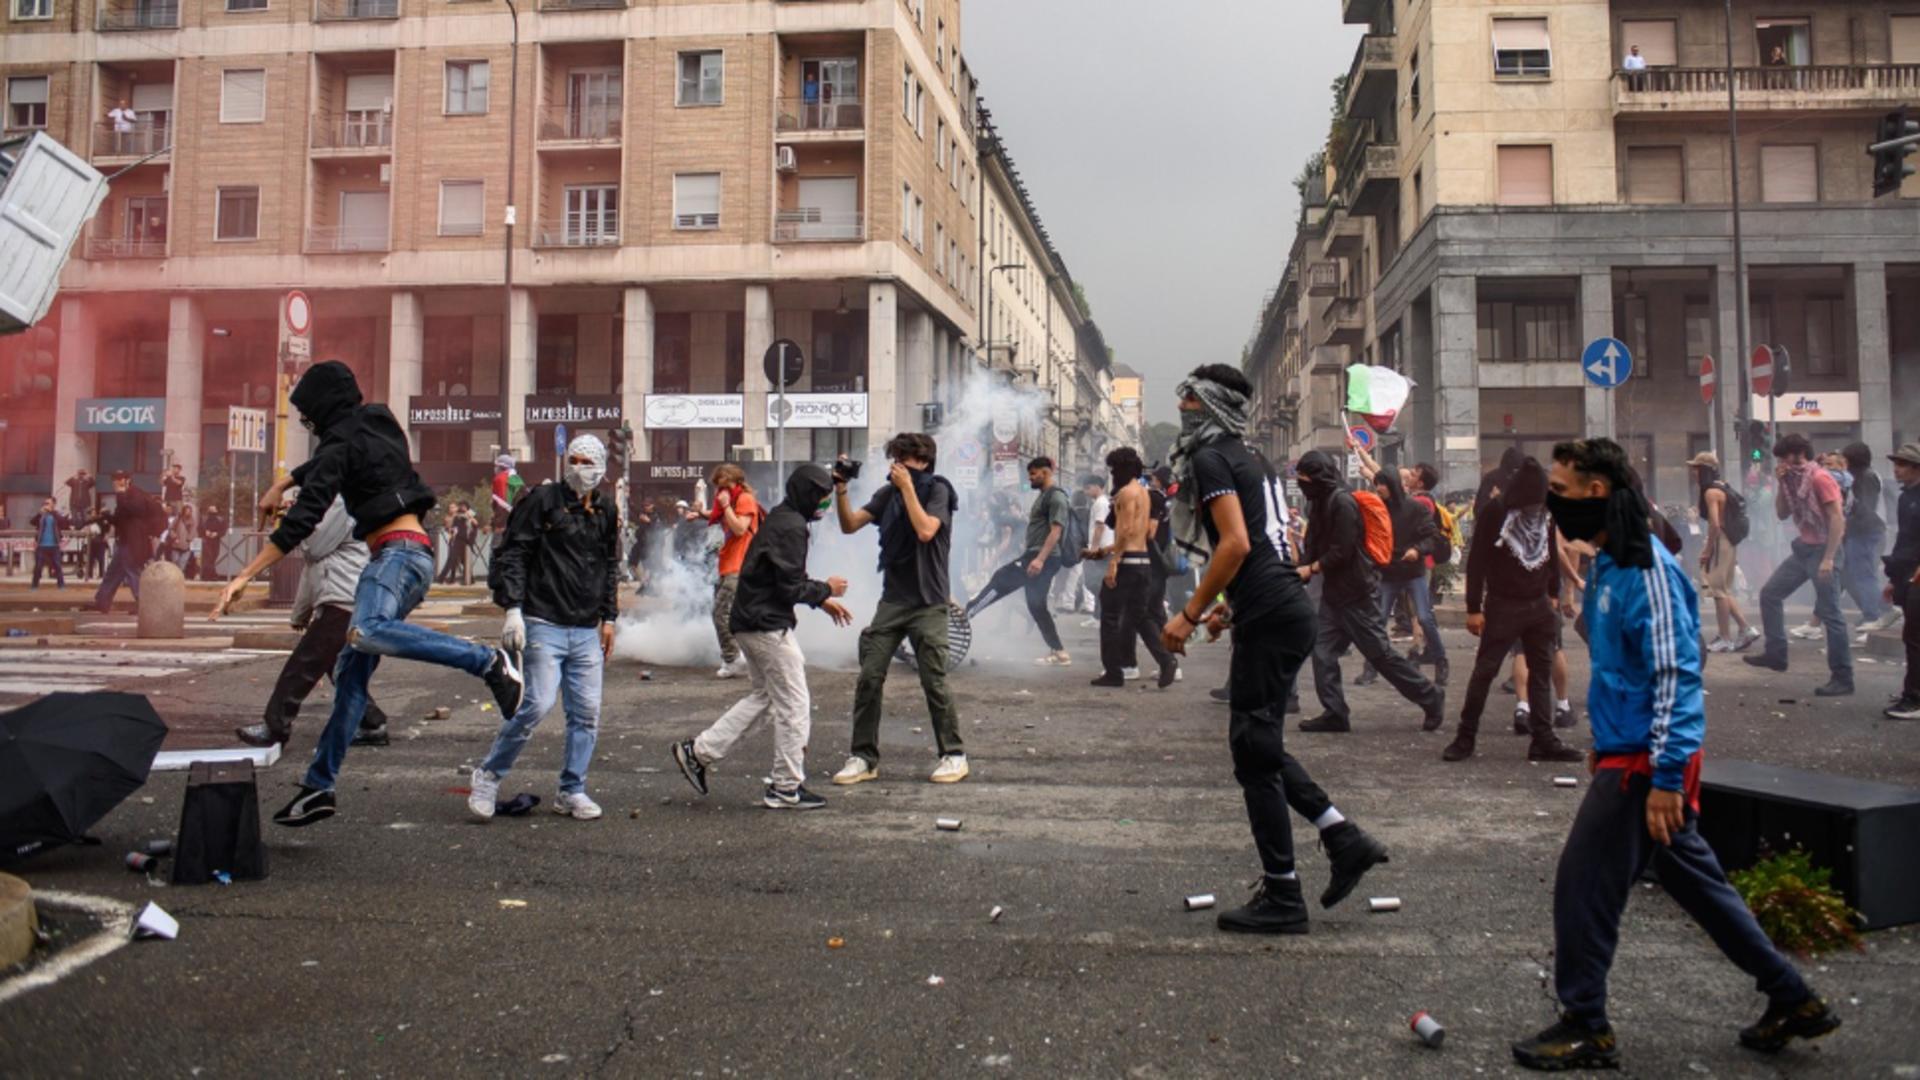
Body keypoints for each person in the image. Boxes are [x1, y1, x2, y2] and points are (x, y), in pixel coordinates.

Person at [1511, 437, 1838, 1070]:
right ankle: (1793, 997)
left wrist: (1663, 774)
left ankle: (1587, 1022)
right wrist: (1602, 743)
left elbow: (1676, 677)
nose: (1552, 500)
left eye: (1560, 489)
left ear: (1596, 493)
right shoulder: (1610, 563)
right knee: (1701, 887)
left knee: (1583, 887)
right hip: (1627, 753)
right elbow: (1621, 670)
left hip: (1647, 764)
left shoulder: (1648, 571)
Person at [211, 360, 526, 829]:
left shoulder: (340, 443)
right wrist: (285, 481)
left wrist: (243, 576)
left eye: (308, 415)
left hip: (395, 557)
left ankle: (488, 662)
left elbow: (303, 518)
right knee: (350, 677)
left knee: (365, 631)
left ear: (322, 407)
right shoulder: (377, 419)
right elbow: (333, 456)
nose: (307, 424)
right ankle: (319, 787)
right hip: (406, 556)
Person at [1160, 364, 1389, 934]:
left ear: (1208, 406)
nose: (1182, 407)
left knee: (1253, 751)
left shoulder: (1213, 459)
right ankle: (1340, 837)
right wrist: (1229, 607)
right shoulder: (1253, 457)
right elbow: (1267, 543)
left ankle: (1286, 891)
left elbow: (1237, 544)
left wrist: (1188, 615)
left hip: (1274, 610)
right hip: (1281, 605)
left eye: (1188, 399)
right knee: (1257, 746)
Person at [674, 465, 853, 809]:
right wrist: (825, 589)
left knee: (766, 698)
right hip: (766, 624)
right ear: (807, 494)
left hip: (752, 620)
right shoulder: (792, 526)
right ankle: (786, 787)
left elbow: (782, 578)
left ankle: (698, 753)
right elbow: (789, 586)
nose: (825, 506)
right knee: (794, 705)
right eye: (822, 498)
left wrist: (821, 599)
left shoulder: (785, 519)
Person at [468, 435, 622, 823]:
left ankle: (572, 790)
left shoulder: (605, 508)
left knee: (586, 713)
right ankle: (488, 775)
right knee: (535, 704)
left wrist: (609, 618)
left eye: (588, 461)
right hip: (543, 620)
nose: (580, 468)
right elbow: (515, 553)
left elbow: (608, 563)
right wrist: (513, 609)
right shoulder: (542, 500)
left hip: (586, 626)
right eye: (574, 459)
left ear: (603, 465)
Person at [830, 434, 968, 786]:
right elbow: (849, 525)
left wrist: (907, 488)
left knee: (933, 680)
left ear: (924, 462)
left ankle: (953, 755)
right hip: (893, 601)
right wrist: (841, 488)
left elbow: (925, 530)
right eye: (897, 458)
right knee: (869, 677)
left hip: (929, 602)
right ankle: (863, 757)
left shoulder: (938, 490)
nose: (900, 464)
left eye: (908, 458)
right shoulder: (887, 494)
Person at [1294, 451, 1446, 734]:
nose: (1302, 483)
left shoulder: (1342, 503)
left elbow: (1343, 549)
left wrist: (1311, 568)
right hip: (1335, 594)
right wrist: (1301, 567)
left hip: (1357, 592)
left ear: (1318, 477)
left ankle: (1430, 696)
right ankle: (1335, 713)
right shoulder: (1318, 503)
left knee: (1381, 656)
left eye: (1304, 478)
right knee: (1323, 652)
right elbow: (1314, 542)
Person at [1445, 459, 1583, 763]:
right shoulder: (1496, 512)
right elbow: (1477, 560)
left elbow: (1549, 551)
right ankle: (1465, 737)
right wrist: (1473, 608)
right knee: (1485, 672)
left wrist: (1552, 593)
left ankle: (1543, 739)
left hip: (1539, 604)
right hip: (1503, 604)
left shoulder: (1545, 513)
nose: (1537, 507)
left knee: (1541, 670)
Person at [235, 495, 390, 750]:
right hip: (340, 598)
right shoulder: (331, 505)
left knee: (302, 666)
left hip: (343, 598)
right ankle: (371, 721)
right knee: (338, 668)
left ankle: (275, 727)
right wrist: (301, 612)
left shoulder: (343, 501)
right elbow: (314, 565)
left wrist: (299, 520)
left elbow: (314, 547)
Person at [1743, 434, 1852, 697]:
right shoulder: (1793, 480)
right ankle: (1776, 654)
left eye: (1784, 457)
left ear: (1800, 454)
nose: (1781, 462)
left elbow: (1837, 519)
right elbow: (1781, 513)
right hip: (1803, 549)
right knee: (1770, 594)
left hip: (1823, 550)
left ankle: (1843, 677)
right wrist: (1781, 482)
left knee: (1831, 614)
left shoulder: (1820, 478)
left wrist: (1828, 558)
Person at [962, 457, 1073, 666]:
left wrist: (1039, 559)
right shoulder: (1044, 496)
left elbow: (1056, 531)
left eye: (1033, 474)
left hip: (1043, 557)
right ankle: (1059, 652)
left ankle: (969, 612)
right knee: (1036, 605)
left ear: (1046, 472)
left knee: (1002, 578)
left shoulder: (1056, 497)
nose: (1030, 478)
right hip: (1038, 555)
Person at [1085, 447, 1179, 689]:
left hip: (1127, 564)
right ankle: (1166, 660)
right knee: (1141, 617)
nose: (1112, 474)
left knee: (1109, 616)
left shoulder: (1126, 493)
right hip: (1144, 562)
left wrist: (1113, 563)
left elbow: (1125, 530)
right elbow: (1142, 532)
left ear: (1121, 469)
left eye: (1114, 469)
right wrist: (1102, 551)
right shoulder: (1145, 493)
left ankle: (1114, 672)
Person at [1359, 469, 1449, 687]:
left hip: (1412, 571)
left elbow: (1431, 536)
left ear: (1394, 486)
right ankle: (1370, 668)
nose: (1379, 488)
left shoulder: (1415, 507)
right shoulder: (1377, 509)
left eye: (1383, 484)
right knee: (1378, 621)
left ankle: (1440, 661)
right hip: (1388, 573)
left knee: (1425, 618)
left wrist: (1417, 551)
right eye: (1377, 484)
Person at [1686, 453, 1759, 653]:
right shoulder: (1723, 486)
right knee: (1724, 590)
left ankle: (1725, 637)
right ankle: (1745, 629)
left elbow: (1715, 524)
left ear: (1705, 470)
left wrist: (1707, 549)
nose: (1694, 472)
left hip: (1721, 541)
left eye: (1697, 468)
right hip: (1729, 541)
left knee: (1718, 591)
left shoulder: (1711, 492)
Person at [707, 464, 762, 679]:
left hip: (738, 567)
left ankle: (732, 659)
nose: (720, 492)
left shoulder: (745, 499)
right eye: (718, 487)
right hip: (727, 566)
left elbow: (739, 528)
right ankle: (750, 659)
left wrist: (726, 506)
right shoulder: (730, 501)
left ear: (734, 483)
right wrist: (703, 514)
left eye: (724, 486)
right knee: (738, 615)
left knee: (720, 613)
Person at [89, 471, 162, 613]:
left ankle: (144, 604)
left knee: (132, 571)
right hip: (125, 540)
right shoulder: (124, 496)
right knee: (113, 572)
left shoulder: (135, 493)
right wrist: (107, 517)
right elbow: (120, 519)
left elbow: (136, 510)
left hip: (134, 541)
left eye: (120, 479)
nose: (117, 482)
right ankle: (102, 602)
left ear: (128, 480)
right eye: (115, 480)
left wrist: (121, 495)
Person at [1883, 443, 1920, 720]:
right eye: (1897, 463)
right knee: (1912, 635)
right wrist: (1894, 578)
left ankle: (1914, 698)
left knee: (1915, 637)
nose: (1897, 468)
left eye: (1903, 464)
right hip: (1906, 573)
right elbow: (1903, 538)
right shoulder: (1906, 496)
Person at [1840, 443, 1888, 639]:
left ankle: (1874, 616)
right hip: (1859, 532)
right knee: (1849, 576)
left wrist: (1847, 518)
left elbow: (1865, 508)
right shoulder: (1860, 476)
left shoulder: (1866, 477)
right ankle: (1877, 611)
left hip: (1866, 533)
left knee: (1863, 575)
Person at [1078, 474, 1110, 623]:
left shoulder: (1101, 503)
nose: (1086, 492)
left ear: (1097, 486)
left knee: (1094, 582)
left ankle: (1100, 616)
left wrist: (1094, 548)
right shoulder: (1100, 502)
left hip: (1101, 550)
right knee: (1096, 582)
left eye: (1088, 488)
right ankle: (1097, 616)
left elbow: (1100, 526)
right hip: (1102, 550)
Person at [29, 497, 67, 590]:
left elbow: (64, 522)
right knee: (38, 567)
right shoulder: (42, 515)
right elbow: (32, 522)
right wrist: (39, 513)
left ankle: (61, 585)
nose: (46, 505)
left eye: (48, 503)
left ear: (53, 504)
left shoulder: (56, 515)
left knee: (57, 566)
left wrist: (52, 512)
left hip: (54, 545)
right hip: (41, 545)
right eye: (45, 503)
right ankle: (34, 585)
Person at [437, 501, 475, 585]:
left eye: (454, 507)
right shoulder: (448, 518)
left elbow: (473, 516)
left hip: (463, 540)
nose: (452, 509)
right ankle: (446, 578)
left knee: (462, 560)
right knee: (452, 559)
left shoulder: (462, 515)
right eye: (451, 507)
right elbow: (448, 528)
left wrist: (467, 516)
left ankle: (470, 578)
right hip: (453, 540)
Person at [490, 454, 523, 534]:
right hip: (520, 520)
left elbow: (502, 503)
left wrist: (498, 525)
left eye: (496, 466)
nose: (495, 468)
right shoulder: (517, 478)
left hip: (505, 522)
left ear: (501, 467)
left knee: (497, 544)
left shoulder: (500, 479)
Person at [198, 503, 229, 582]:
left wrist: (217, 534)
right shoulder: (204, 519)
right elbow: (199, 529)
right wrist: (205, 532)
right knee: (208, 558)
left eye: (213, 510)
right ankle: (212, 576)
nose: (212, 512)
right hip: (206, 541)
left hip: (216, 541)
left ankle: (207, 575)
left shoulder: (220, 520)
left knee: (213, 558)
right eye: (210, 510)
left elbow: (223, 530)